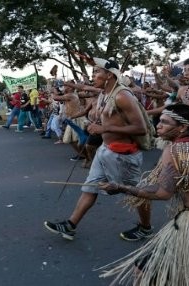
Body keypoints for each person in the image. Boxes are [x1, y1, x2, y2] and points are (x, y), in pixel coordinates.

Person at [98, 104, 189, 286]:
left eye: (165, 122)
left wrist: (122, 187)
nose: (158, 125)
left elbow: (162, 193)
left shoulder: (174, 150)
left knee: (144, 270)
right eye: (159, 121)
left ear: (183, 127)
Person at [44, 57, 148, 241]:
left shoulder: (122, 95)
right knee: (90, 187)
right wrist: (97, 124)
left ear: (109, 75)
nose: (93, 76)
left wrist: (104, 128)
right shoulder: (103, 94)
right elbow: (99, 107)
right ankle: (70, 225)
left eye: (96, 72)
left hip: (124, 154)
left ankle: (146, 227)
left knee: (136, 192)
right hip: (105, 150)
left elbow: (140, 128)